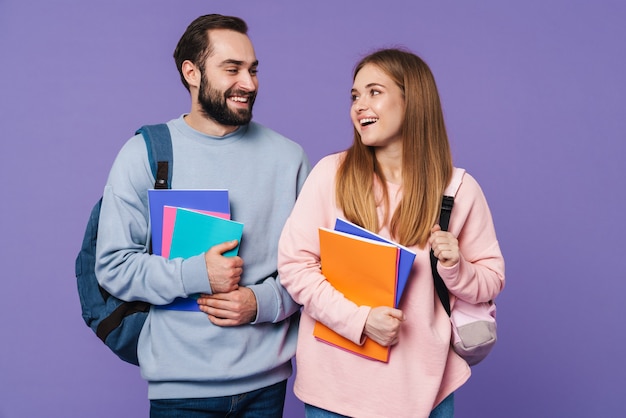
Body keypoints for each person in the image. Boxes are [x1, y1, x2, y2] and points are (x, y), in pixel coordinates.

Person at [95, 14, 310, 417]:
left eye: (253, 69)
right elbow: (112, 266)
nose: (249, 83)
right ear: (191, 73)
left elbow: (310, 268)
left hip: (267, 383)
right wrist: (196, 274)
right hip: (179, 390)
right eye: (232, 69)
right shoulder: (145, 153)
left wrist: (260, 302)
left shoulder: (290, 158)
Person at [277, 48, 505, 418]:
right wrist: (361, 321)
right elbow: (294, 267)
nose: (359, 105)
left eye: (374, 92)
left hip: (425, 390)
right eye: (355, 95)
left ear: (411, 99)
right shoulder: (329, 174)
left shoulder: (458, 190)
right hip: (333, 392)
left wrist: (457, 267)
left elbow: (491, 280)